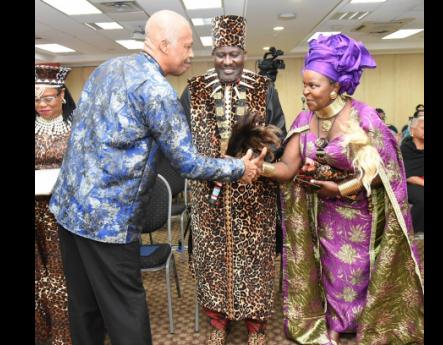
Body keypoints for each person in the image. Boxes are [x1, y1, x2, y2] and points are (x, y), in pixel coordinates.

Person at [49, 10, 265, 345]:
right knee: (125, 312)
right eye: (188, 46)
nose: (193, 54)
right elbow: (187, 163)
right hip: (109, 224)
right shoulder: (157, 91)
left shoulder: (108, 67)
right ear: (164, 44)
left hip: (69, 212)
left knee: (85, 308)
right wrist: (242, 168)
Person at [258, 34, 424, 344]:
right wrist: (257, 168)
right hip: (322, 216)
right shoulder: (305, 119)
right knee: (330, 272)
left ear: (335, 86)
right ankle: (334, 323)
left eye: (313, 85)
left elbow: (382, 172)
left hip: (361, 216)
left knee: (359, 272)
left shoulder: (364, 117)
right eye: (304, 84)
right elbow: (287, 169)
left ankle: (362, 323)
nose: (305, 91)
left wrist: (340, 188)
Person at [180, 15, 286, 345]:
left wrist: (259, 156)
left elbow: (277, 132)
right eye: (221, 54)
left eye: (234, 53)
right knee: (212, 259)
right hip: (207, 197)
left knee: (256, 260)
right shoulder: (194, 90)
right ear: (213, 54)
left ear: (244, 52)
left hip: (254, 196)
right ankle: (218, 321)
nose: (228, 61)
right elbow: (180, 141)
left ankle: (256, 325)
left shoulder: (263, 88)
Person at [35, 64, 74, 345]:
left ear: (62, 96)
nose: (42, 105)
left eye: (48, 98)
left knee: (65, 276)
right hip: (35, 215)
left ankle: (68, 334)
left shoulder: (76, 131)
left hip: (66, 215)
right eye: (37, 99)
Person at [400, 116, 424, 234]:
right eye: (423, 128)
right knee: (422, 199)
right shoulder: (405, 148)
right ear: (413, 130)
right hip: (409, 183)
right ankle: (414, 232)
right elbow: (407, 174)